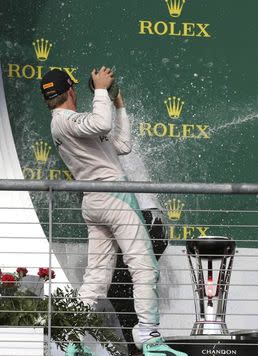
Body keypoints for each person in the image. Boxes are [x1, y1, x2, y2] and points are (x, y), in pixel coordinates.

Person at [40, 67, 186, 355]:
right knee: (143, 267)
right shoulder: (67, 120)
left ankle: (72, 336)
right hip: (113, 195)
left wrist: (119, 106)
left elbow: (122, 144)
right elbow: (102, 124)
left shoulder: (74, 123)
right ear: (71, 90)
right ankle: (149, 335)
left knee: (96, 278)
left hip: (96, 201)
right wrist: (101, 90)